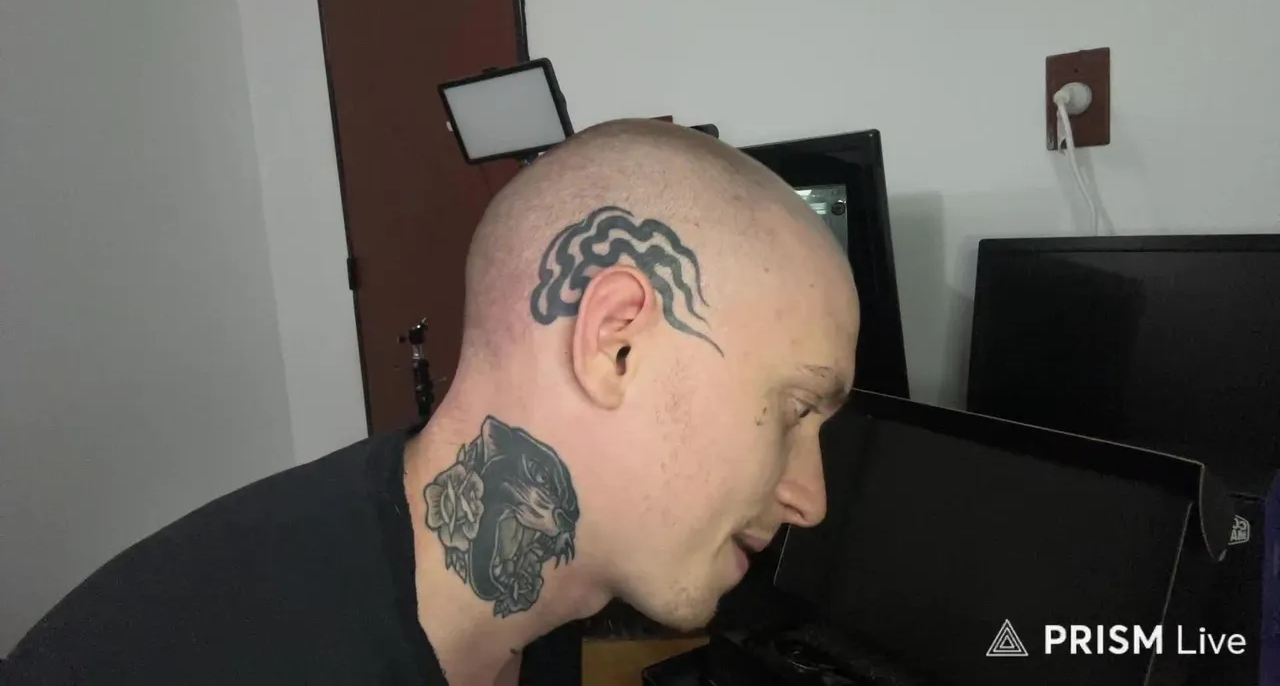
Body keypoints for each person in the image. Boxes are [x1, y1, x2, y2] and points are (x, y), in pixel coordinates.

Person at [2, 119, 859, 685]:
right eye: (795, 410)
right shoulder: (207, 658)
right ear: (615, 341)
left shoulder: (540, 599)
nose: (810, 500)